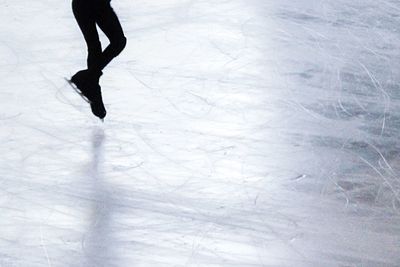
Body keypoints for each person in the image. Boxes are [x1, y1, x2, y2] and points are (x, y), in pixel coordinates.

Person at [69, 0, 127, 120]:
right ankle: (91, 86)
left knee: (97, 46)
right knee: (114, 42)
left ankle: (91, 84)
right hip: (90, 5)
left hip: (88, 5)